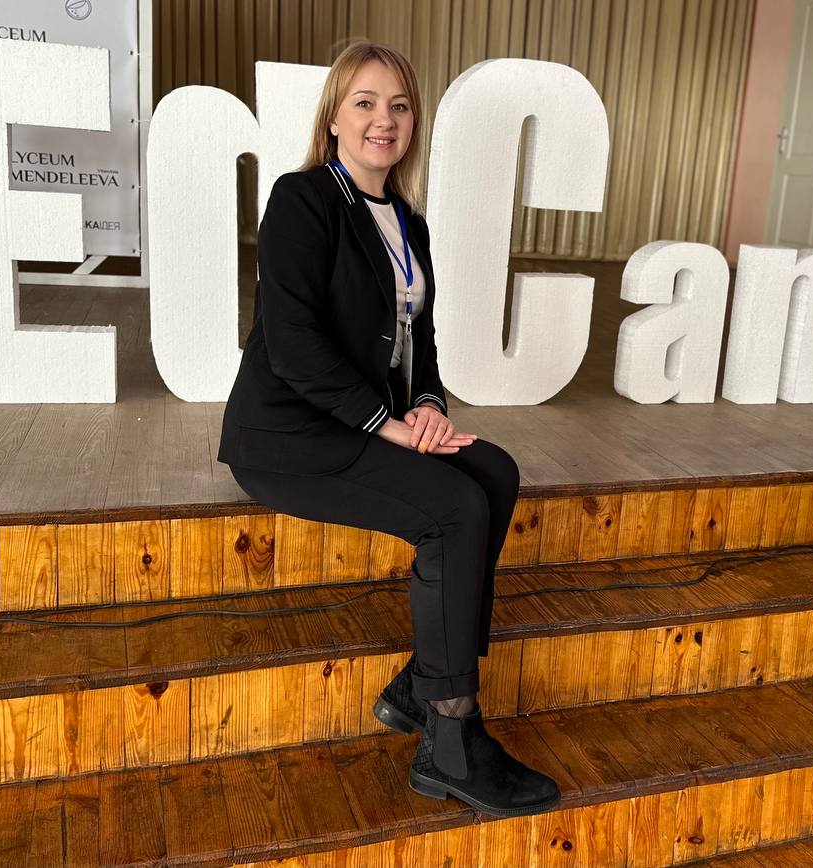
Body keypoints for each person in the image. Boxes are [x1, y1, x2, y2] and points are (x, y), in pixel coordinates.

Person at [218, 41, 559, 817]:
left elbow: (420, 344)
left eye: (399, 106)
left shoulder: (409, 222)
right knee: (453, 509)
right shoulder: (303, 199)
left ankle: (418, 683)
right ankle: (450, 739)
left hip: (364, 427)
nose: (384, 119)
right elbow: (293, 344)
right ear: (335, 118)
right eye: (366, 103)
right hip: (290, 436)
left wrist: (428, 405)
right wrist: (389, 426)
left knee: (494, 472)